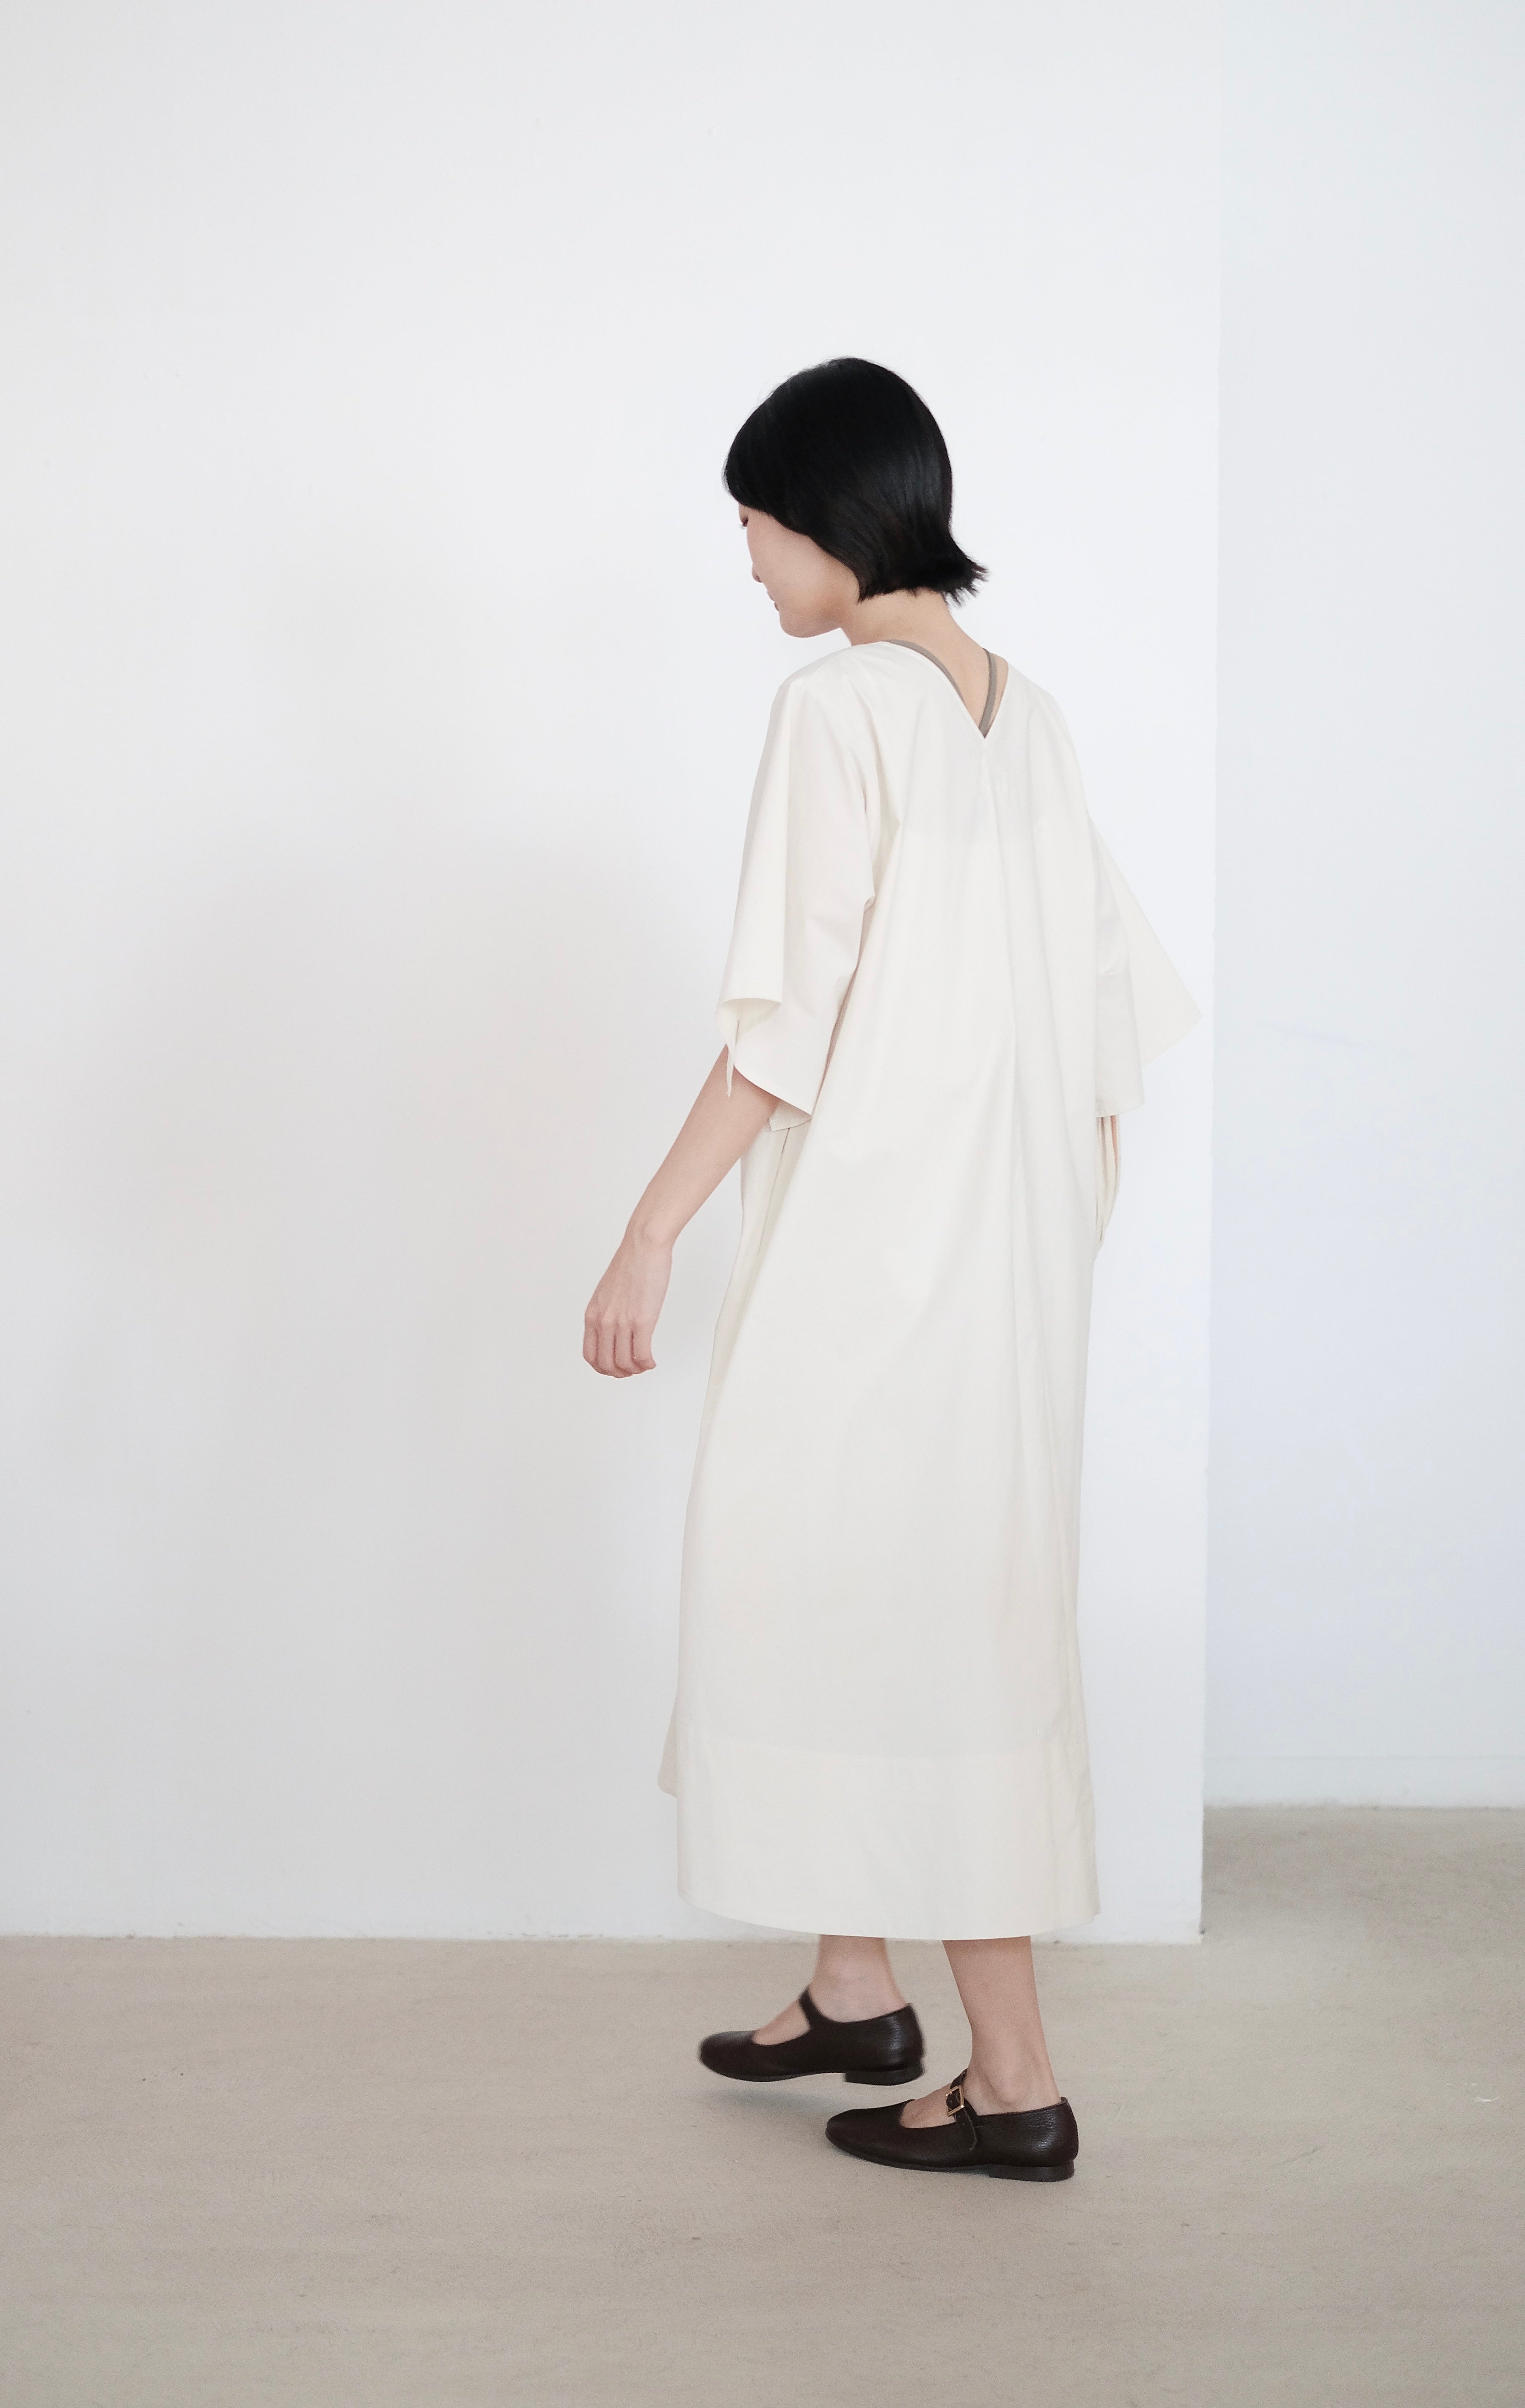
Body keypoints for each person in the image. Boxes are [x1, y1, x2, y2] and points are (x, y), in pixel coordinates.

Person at [583, 358, 1198, 2182]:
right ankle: (854, 1984)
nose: (748, 563)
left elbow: (781, 1034)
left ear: (828, 517)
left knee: (895, 1622)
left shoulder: (837, 710)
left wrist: (647, 1230)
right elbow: (1109, 1041)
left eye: (754, 525)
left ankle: (1014, 2082)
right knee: (892, 1603)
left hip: (874, 1269)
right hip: (1002, 1277)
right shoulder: (1033, 718)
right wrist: (1043, 1252)